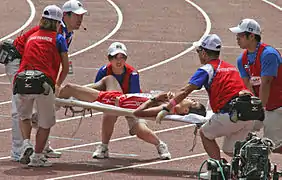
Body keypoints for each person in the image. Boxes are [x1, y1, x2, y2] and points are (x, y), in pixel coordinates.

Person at [2, 0, 87, 161]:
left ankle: (42, 147)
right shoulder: (56, 29)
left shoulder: (66, 33)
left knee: (45, 102)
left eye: (81, 16)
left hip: (34, 64)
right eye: (77, 16)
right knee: (18, 107)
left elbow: (52, 61)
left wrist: (56, 84)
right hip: (18, 61)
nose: (80, 20)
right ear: (65, 16)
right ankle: (18, 150)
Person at [156, 34, 254, 170]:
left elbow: (185, 91)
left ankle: (220, 168)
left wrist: (167, 108)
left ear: (203, 52)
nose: (198, 55)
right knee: (230, 149)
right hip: (251, 112)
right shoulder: (230, 67)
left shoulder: (207, 69)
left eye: (198, 51)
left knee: (205, 133)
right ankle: (255, 163)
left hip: (232, 113)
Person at [89, 42, 172, 160]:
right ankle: (104, 147)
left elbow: (134, 97)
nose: (119, 60)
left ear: (126, 58)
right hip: (113, 103)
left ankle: (160, 145)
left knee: (139, 130)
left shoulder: (132, 73)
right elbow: (97, 90)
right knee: (108, 115)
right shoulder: (103, 71)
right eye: (115, 57)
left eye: (122, 57)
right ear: (109, 58)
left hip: (132, 104)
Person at [14, 4, 69, 167]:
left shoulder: (32, 36)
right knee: (45, 124)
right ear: (58, 23)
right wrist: (58, 84)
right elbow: (65, 67)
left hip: (22, 80)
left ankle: (26, 143)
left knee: (24, 117)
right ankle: (37, 157)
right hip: (43, 83)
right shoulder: (59, 38)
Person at [229, 18, 282, 153]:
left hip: (277, 105)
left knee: (273, 145)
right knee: (241, 133)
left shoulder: (268, 54)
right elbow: (247, 85)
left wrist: (260, 109)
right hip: (263, 104)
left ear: (251, 36)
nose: (237, 38)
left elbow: (266, 83)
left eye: (240, 35)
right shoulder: (242, 59)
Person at [57, 75, 207, 118]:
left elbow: (138, 113)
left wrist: (156, 99)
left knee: (69, 87)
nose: (191, 98)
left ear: (186, 111)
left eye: (193, 102)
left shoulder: (165, 109)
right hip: (122, 95)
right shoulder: (170, 103)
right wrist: (163, 97)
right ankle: (77, 98)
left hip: (113, 101)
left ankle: (54, 105)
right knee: (109, 78)